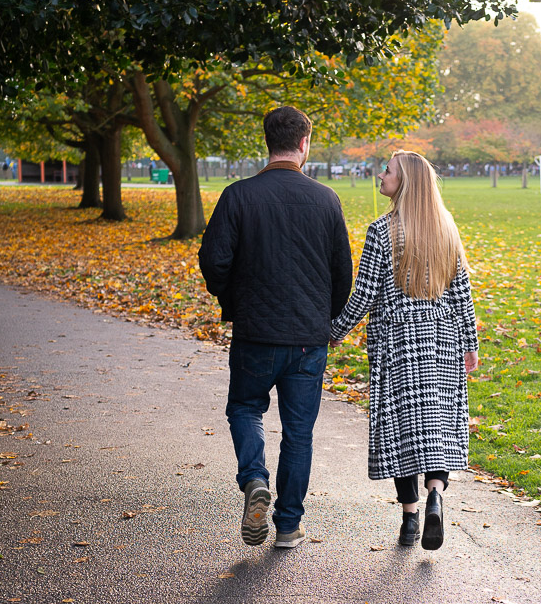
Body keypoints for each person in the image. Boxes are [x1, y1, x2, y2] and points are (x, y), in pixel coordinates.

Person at [198, 106, 353, 550]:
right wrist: (325, 317)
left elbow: (214, 261)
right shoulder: (326, 199)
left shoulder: (238, 195)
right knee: (298, 432)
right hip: (307, 337)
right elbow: (343, 271)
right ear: (305, 143)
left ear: (267, 142)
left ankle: (254, 478)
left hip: (255, 332)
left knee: (246, 409)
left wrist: (233, 300)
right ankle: (288, 524)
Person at [329, 151, 478, 550]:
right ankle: (436, 495)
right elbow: (462, 293)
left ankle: (411, 518)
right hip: (444, 338)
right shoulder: (446, 227)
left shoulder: (382, 230)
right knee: (437, 426)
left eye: (388, 171)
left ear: (405, 182)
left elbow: (364, 294)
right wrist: (470, 344)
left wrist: (333, 332)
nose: (381, 174)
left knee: (402, 430)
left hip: (398, 340)